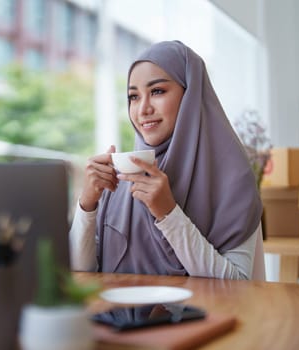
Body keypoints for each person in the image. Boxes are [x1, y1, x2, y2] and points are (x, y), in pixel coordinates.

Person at [69, 40, 263, 279]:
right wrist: (87, 205)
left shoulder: (232, 178)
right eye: (133, 97)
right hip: (114, 315)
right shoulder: (119, 177)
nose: (142, 109)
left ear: (191, 95)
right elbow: (81, 273)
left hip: (205, 316)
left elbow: (239, 284)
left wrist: (168, 213)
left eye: (157, 91)